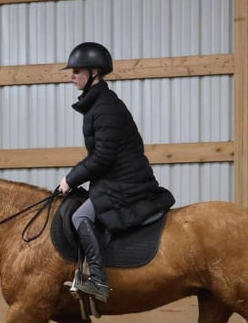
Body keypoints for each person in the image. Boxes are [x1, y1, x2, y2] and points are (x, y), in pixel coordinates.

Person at [58, 42, 176, 303]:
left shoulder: (105, 107)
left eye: (77, 70)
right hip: (115, 178)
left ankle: (99, 280)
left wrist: (70, 179)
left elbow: (103, 157)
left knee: (80, 217)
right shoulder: (98, 104)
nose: (72, 76)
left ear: (94, 73)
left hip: (125, 183)